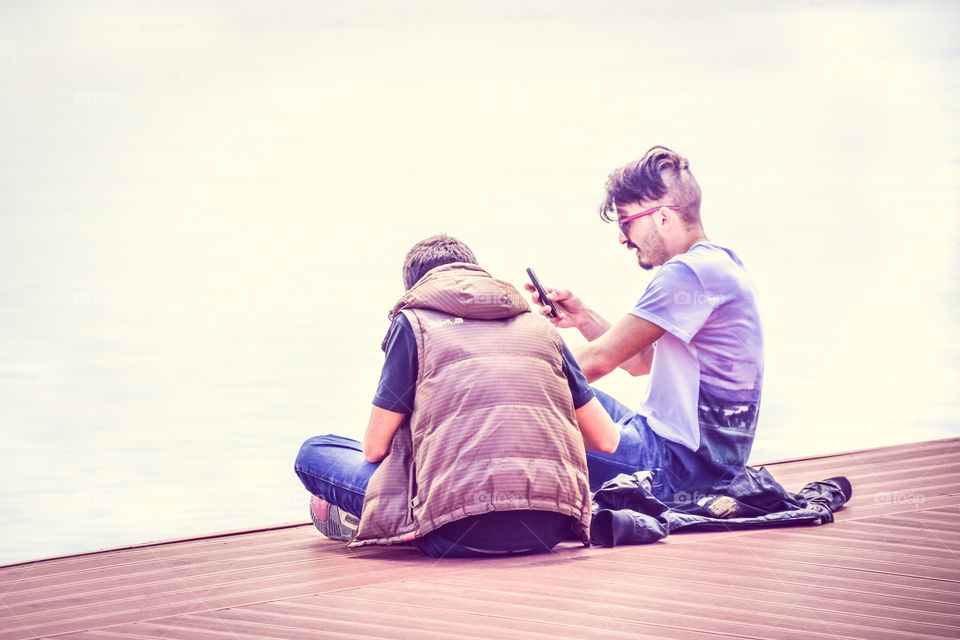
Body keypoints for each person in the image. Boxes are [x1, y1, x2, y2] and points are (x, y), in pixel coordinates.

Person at [294, 234, 619, 557]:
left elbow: (374, 448)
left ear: (415, 289)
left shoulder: (414, 323)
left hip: (452, 531)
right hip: (551, 527)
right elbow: (606, 440)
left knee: (315, 453)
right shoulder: (542, 327)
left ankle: (363, 518)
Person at [527, 146, 764, 503]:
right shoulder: (720, 265)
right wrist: (583, 318)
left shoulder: (688, 274)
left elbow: (596, 362)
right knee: (551, 401)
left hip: (676, 471)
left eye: (626, 222)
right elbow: (641, 364)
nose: (623, 238)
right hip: (682, 453)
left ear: (664, 218)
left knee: (526, 412)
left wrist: (505, 379)